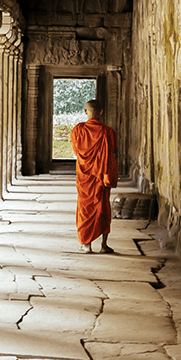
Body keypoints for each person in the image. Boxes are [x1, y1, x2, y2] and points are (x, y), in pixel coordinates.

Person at [70, 99, 118, 253]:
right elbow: (112, 153)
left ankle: (86, 245)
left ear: (86, 112)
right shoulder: (108, 132)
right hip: (100, 176)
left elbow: (77, 152)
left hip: (85, 177)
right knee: (103, 207)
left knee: (85, 208)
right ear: (101, 112)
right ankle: (104, 245)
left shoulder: (78, 130)